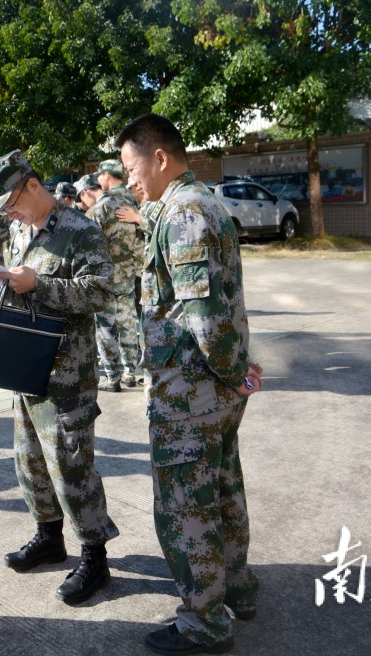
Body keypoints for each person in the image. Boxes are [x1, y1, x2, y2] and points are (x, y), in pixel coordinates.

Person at [116, 113, 263, 655]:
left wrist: (231, 372)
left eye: (132, 167)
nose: (129, 180)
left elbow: (202, 316)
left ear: (160, 157)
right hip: (216, 388)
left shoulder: (184, 215)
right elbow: (227, 302)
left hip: (191, 391)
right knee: (224, 488)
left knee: (184, 507)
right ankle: (238, 588)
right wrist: (240, 371)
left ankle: (204, 620)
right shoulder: (204, 204)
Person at [0, 150, 119, 605]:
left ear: (33, 185)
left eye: (11, 202)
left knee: (71, 465)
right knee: (29, 460)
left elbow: (100, 292)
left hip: (67, 373)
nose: (8, 213)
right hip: (25, 364)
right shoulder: (18, 230)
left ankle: (94, 556)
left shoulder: (80, 231)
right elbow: (20, 284)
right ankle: (49, 536)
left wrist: (39, 285)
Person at [85, 160, 142, 392]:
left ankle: (112, 377)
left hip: (105, 279)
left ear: (107, 176)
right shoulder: (134, 205)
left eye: (100, 175)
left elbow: (88, 248)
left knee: (106, 328)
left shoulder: (99, 209)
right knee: (128, 322)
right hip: (128, 276)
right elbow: (141, 241)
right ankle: (130, 372)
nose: (98, 179)